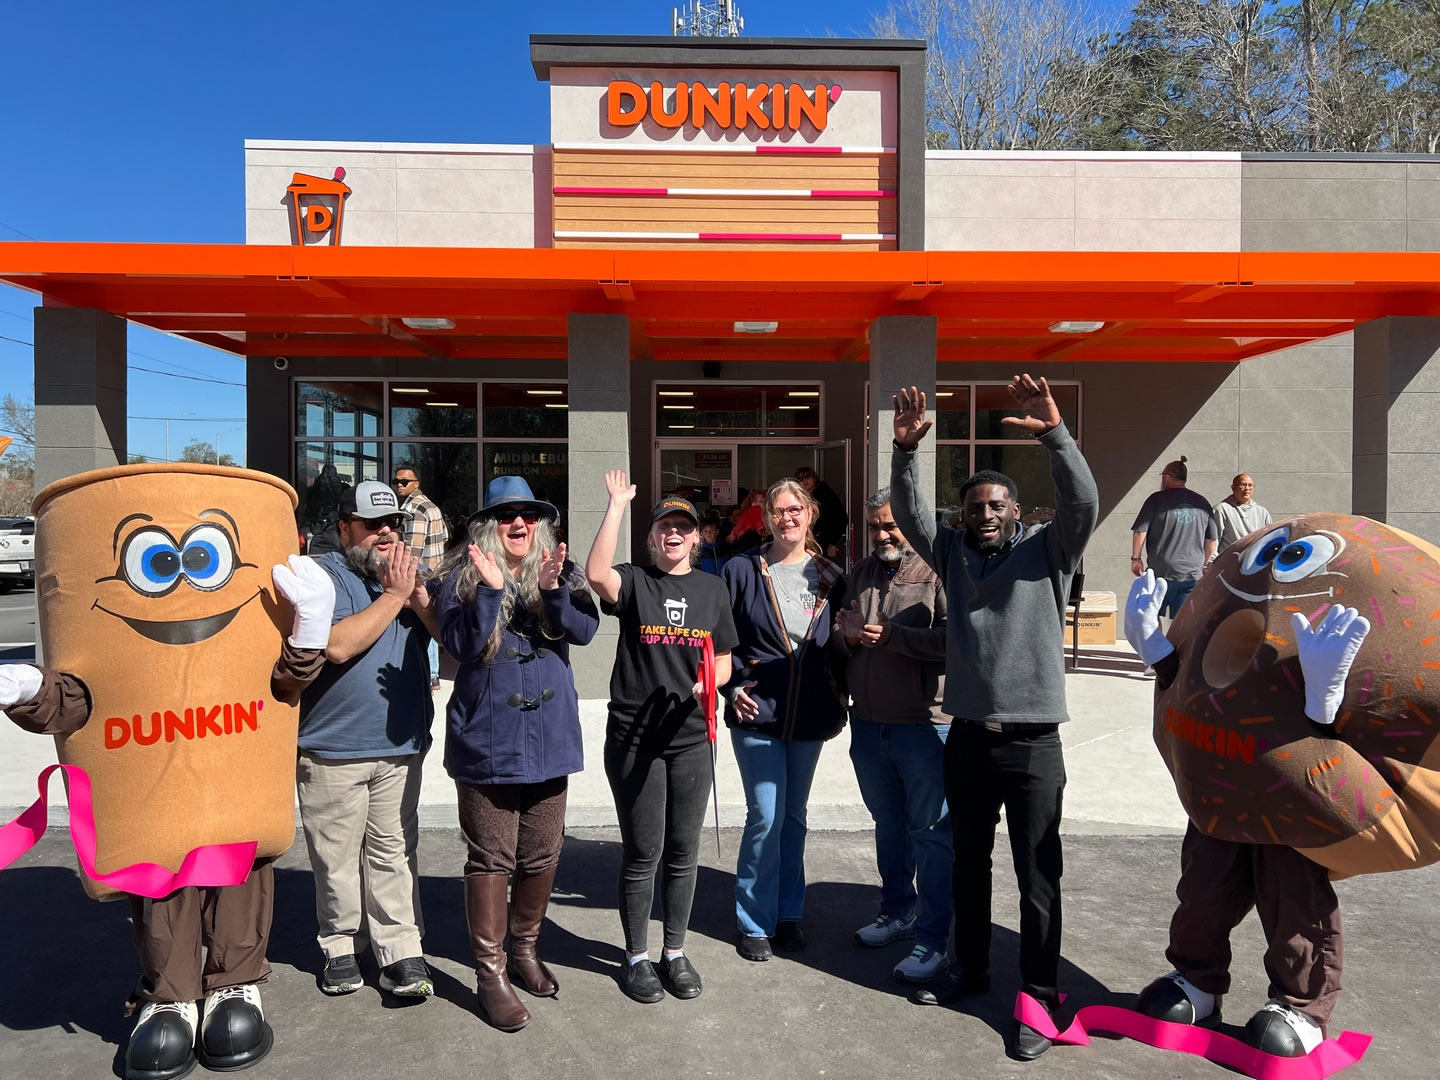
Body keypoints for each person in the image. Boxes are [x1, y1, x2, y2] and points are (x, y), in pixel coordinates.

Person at [891, 376, 1097, 1061]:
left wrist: (1055, 435)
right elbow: (910, 515)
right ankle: (971, 968)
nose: (985, 513)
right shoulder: (951, 552)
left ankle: (1040, 995)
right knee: (970, 865)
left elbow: (1084, 501)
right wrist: (904, 451)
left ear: (1016, 512)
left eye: (996, 505)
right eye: (975, 505)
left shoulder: (1050, 549)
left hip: (1033, 744)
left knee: (1038, 876)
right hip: (969, 740)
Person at [436, 476, 598, 1031]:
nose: (520, 523)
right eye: (507, 515)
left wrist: (553, 591)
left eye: (528, 514)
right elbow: (461, 646)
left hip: (550, 739)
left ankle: (525, 948)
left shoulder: (561, 571)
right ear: (488, 525)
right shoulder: (460, 579)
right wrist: (488, 591)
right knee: (491, 858)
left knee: (543, 852)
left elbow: (584, 631)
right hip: (488, 741)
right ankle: (491, 973)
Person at [586, 475, 738, 1004]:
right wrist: (616, 506)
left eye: (683, 527)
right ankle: (635, 957)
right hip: (635, 738)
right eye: (665, 526)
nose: (674, 533)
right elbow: (596, 574)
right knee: (643, 851)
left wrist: (710, 681)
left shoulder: (713, 590)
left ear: (697, 537)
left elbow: (724, 658)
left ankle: (674, 952)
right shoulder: (636, 581)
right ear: (652, 536)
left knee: (682, 851)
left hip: (691, 738)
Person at [296, 480, 440, 1001]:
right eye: (372, 524)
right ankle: (340, 945)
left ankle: (400, 950)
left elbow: (448, 639)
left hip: (400, 746)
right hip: (332, 748)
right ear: (344, 528)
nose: (385, 533)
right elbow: (336, 646)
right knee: (335, 857)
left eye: (393, 524)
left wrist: (418, 598)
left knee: (393, 852)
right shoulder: (322, 575)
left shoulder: (407, 576)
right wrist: (396, 596)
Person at [722, 478, 848, 963]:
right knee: (765, 815)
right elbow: (719, 638)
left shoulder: (831, 575)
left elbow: (840, 645)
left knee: (794, 816)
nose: (787, 518)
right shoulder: (742, 570)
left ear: (810, 514)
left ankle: (789, 912)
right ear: (767, 518)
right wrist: (732, 688)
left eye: (796, 509)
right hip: (757, 711)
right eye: (778, 510)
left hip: (809, 714)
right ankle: (754, 920)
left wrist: (840, 694)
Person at [834, 488, 952, 984]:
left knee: (931, 834)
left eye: (890, 525)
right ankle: (897, 911)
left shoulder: (940, 570)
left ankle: (934, 939)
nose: (881, 534)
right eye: (874, 526)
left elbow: (959, 640)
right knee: (889, 825)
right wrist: (847, 636)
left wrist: (894, 637)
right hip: (869, 723)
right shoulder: (860, 572)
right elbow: (842, 633)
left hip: (925, 726)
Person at [1129, 456, 1217, 619]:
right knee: (1182, 622)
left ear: (1167, 477)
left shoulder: (1156, 500)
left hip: (1161, 572)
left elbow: (1140, 531)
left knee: (1151, 618)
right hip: (1191, 575)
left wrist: (1136, 558)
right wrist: (1205, 564)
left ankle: (1157, 637)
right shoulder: (1202, 502)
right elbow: (1211, 540)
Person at [395, 463, 449, 689]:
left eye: (404, 481)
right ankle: (434, 674)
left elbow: (412, 550)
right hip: (436, 574)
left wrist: (405, 577)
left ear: (416, 483)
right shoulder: (431, 506)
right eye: (396, 481)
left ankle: (430, 674)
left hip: (421, 577)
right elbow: (444, 537)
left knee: (421, 621)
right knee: (430, 619)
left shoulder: (413, 509)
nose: (399, 485)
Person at [796, 465, 850, 561]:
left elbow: (842, 518)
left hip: (826, 543)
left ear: (814, 478)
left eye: (807, 477)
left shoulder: (824, 494)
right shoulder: (807, 496)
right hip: (813, 542)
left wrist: (833, 542)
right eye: (800, 479)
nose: (804, 481)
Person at [1210, 472, 1272, 554]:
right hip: (1230, 560)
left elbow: (1269, 539)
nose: (1247, 488)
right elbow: (1213, 540)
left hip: (1254, 559)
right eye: (1243, 485)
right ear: (1233, 487)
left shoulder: (1262, 512)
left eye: (1250, 485)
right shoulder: (1221, 509)